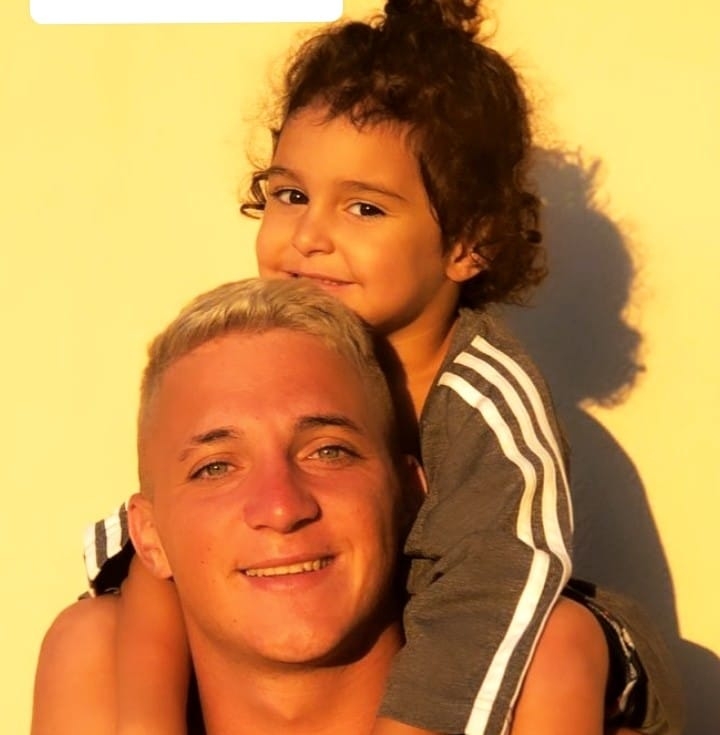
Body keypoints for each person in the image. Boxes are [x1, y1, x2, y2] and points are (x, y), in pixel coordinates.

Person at [40, 1, 684, 733]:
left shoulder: (486, 398)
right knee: (108, 617)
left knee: (563, 640)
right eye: (291, 195)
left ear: (467, 244)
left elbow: (491, 595)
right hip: (360, 613)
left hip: (491, 627)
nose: (310, 235)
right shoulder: (269, 351)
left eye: (365, 209)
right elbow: (153, 544)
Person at [32, 278, 673, 735]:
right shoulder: (96, 675)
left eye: (329, 451)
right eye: (216, 467)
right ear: (147, 537)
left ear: (412, 494)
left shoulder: (552, 691)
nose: (281, 507)